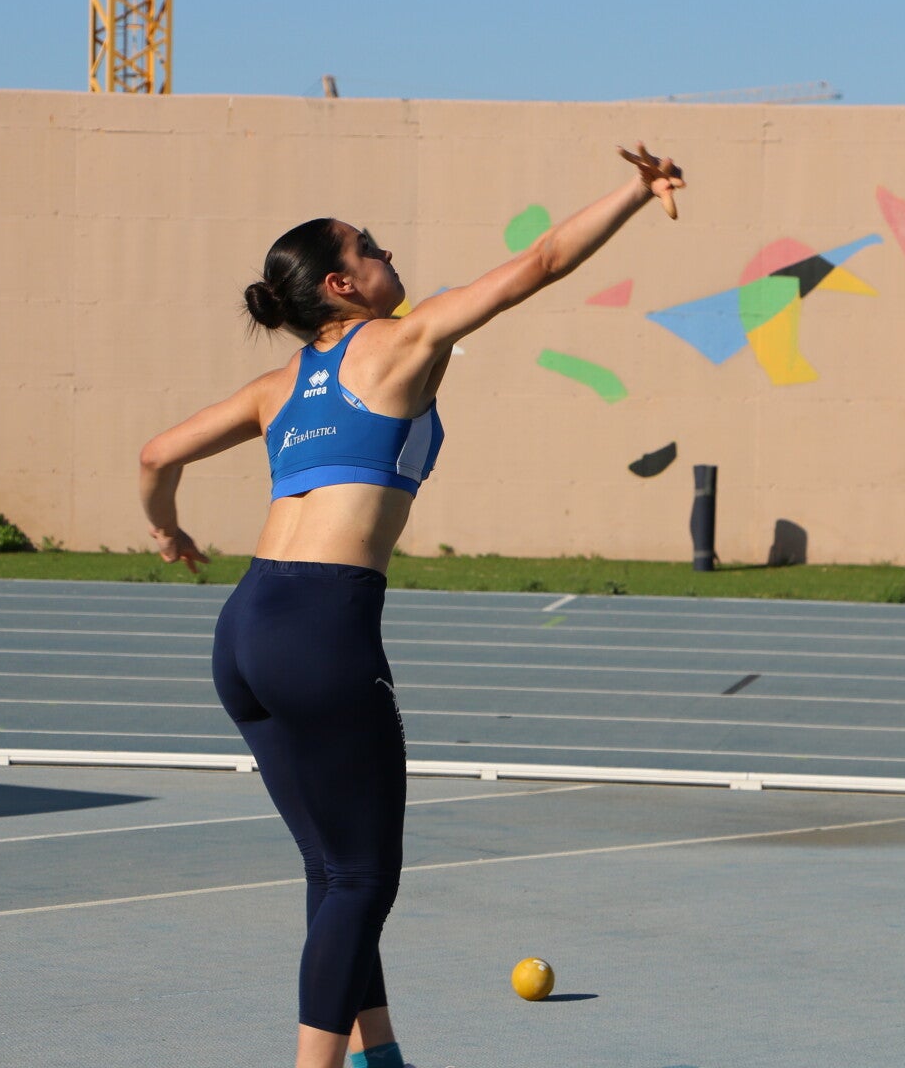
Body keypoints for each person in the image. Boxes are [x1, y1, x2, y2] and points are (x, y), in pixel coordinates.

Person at [137, 146, 683, 1068]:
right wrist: (635, 189)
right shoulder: (402, 340)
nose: (389, 253)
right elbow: (543, 261)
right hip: (322, 626)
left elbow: (156, 454)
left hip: (246, 628)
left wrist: (167, 531)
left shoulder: (277, 389)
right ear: (342, 285)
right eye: (371, 246)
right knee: (362, 875)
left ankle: (378, 1054)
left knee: (331, 867)